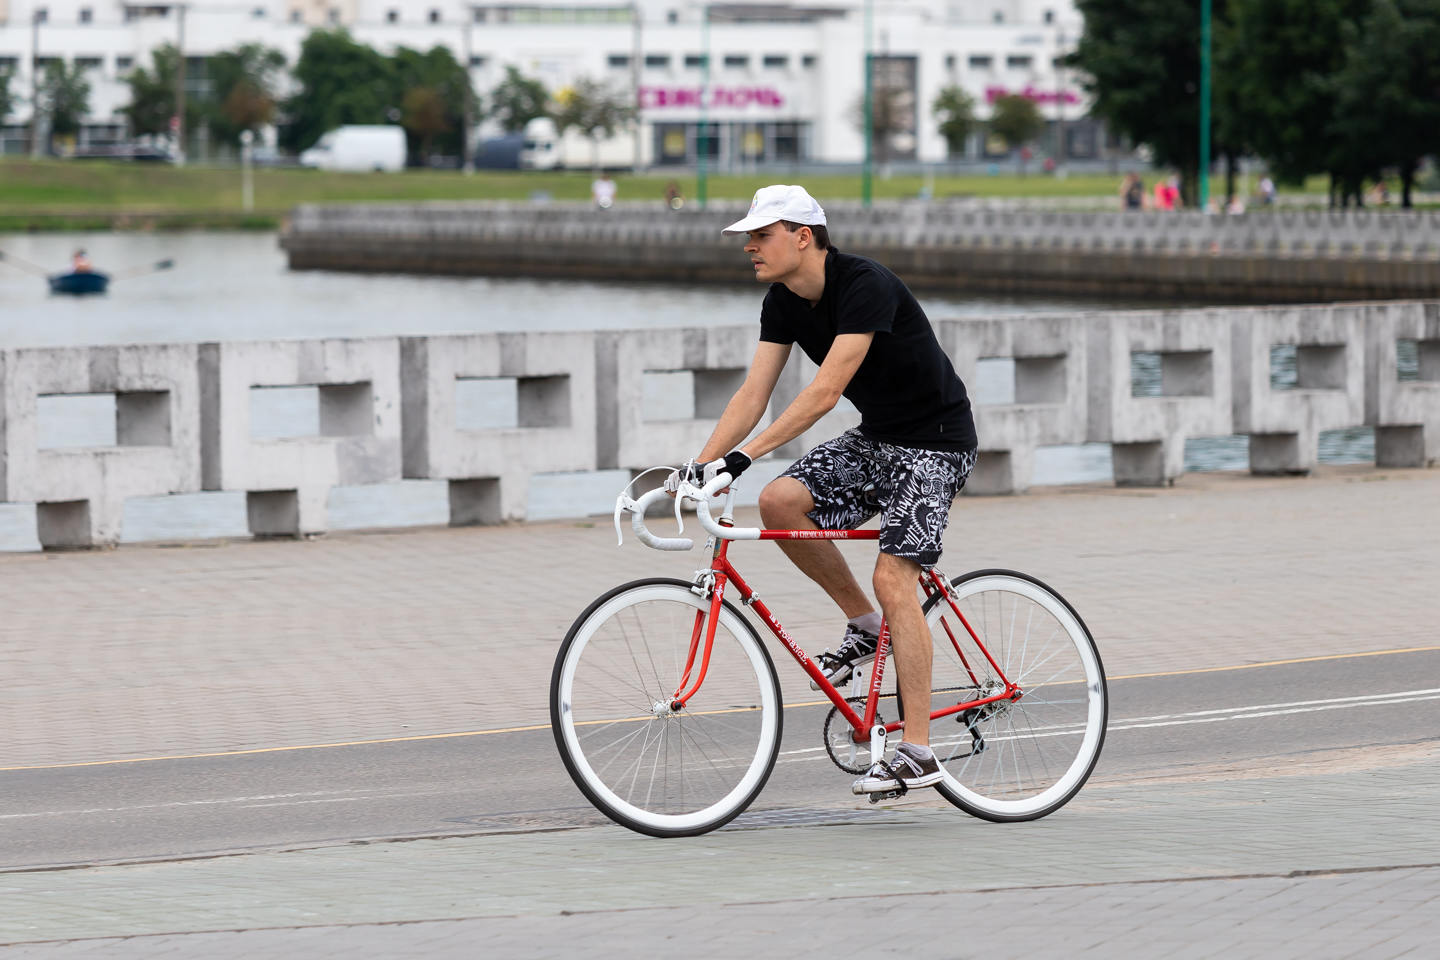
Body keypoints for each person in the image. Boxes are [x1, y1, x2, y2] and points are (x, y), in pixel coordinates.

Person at [665, 185, 979, 796]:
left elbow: (824, 392)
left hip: (938, 442)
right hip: (879, 438)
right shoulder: (781, 300)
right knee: (779, 501)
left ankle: (918, 749)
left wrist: (741, 458)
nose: (750, 247)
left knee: (896, 580)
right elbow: (752, 396)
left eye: (762, 235)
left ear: (802, 237)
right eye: (748, 238)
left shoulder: (866, 284)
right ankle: (864, 623)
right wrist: (700, 466)